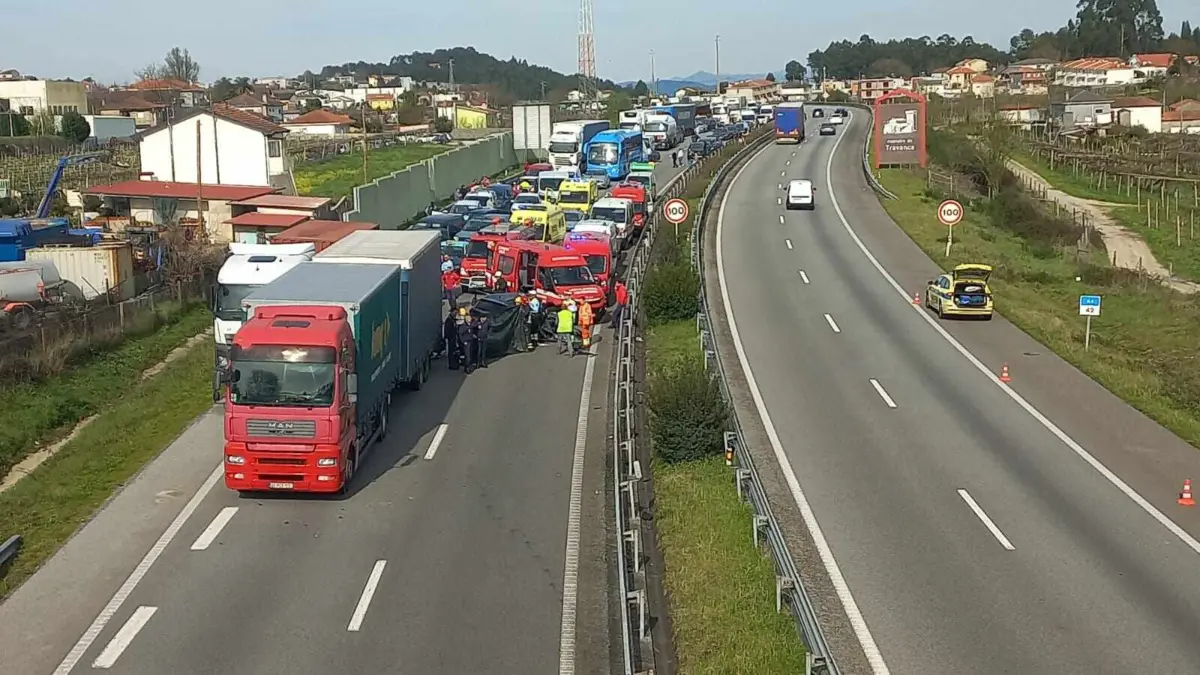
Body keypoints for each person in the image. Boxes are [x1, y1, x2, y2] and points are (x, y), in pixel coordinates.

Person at [457, 308, 476, 373]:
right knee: (467, 356)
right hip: (466, 343)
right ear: (466, 319)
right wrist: (463, 342)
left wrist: (473, 336)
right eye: (468, 318)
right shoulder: (463, 326)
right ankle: (467, 368)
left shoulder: (470, 325)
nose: (470, 319)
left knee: (470, 355)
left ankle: (469, 367)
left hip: (471, 342)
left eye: (470, 318)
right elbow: (460, 334)